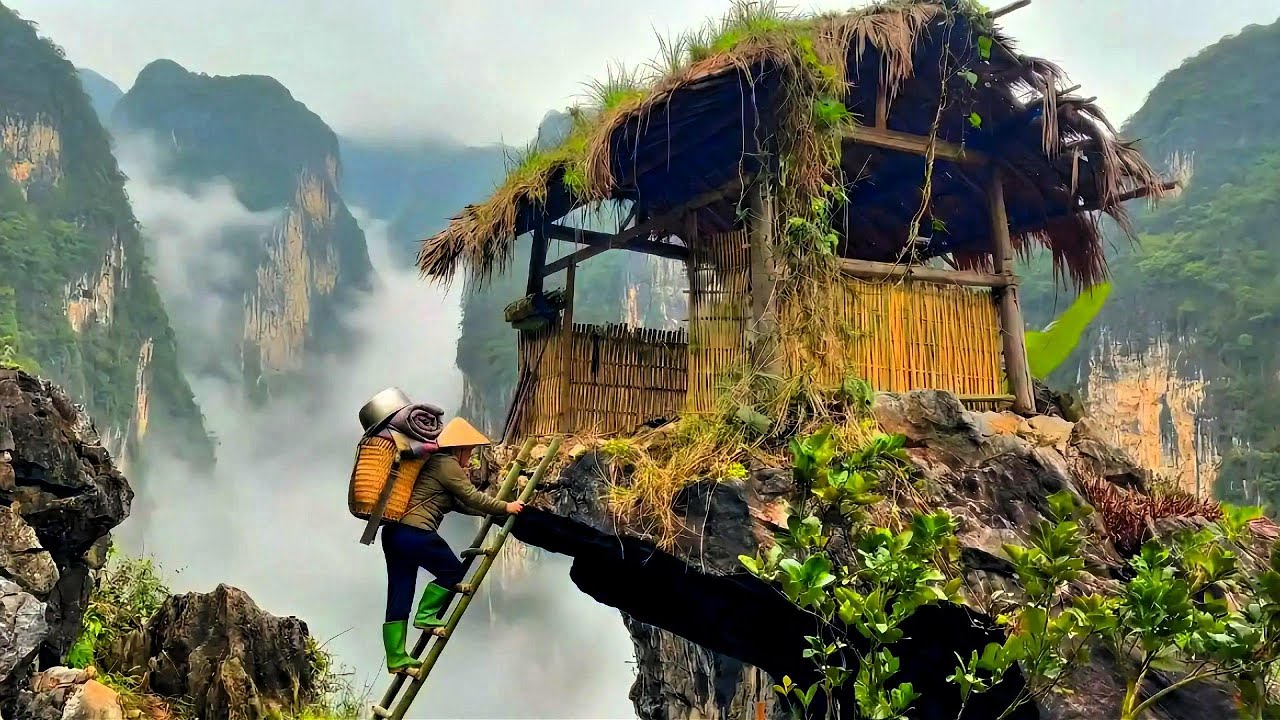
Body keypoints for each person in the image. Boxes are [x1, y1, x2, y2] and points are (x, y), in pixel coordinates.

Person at [377, 415, 523, 675]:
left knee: (400, 592)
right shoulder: (446, 463)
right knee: (453, 570)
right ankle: (425, 615)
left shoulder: (433, 464)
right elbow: (471, 496)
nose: (470, 457)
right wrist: (506, 507)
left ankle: (396, 657)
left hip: (394, 534)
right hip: (415, 532)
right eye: (470, 451)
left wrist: (489, 513)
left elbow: (458, 503)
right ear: (460, 448)